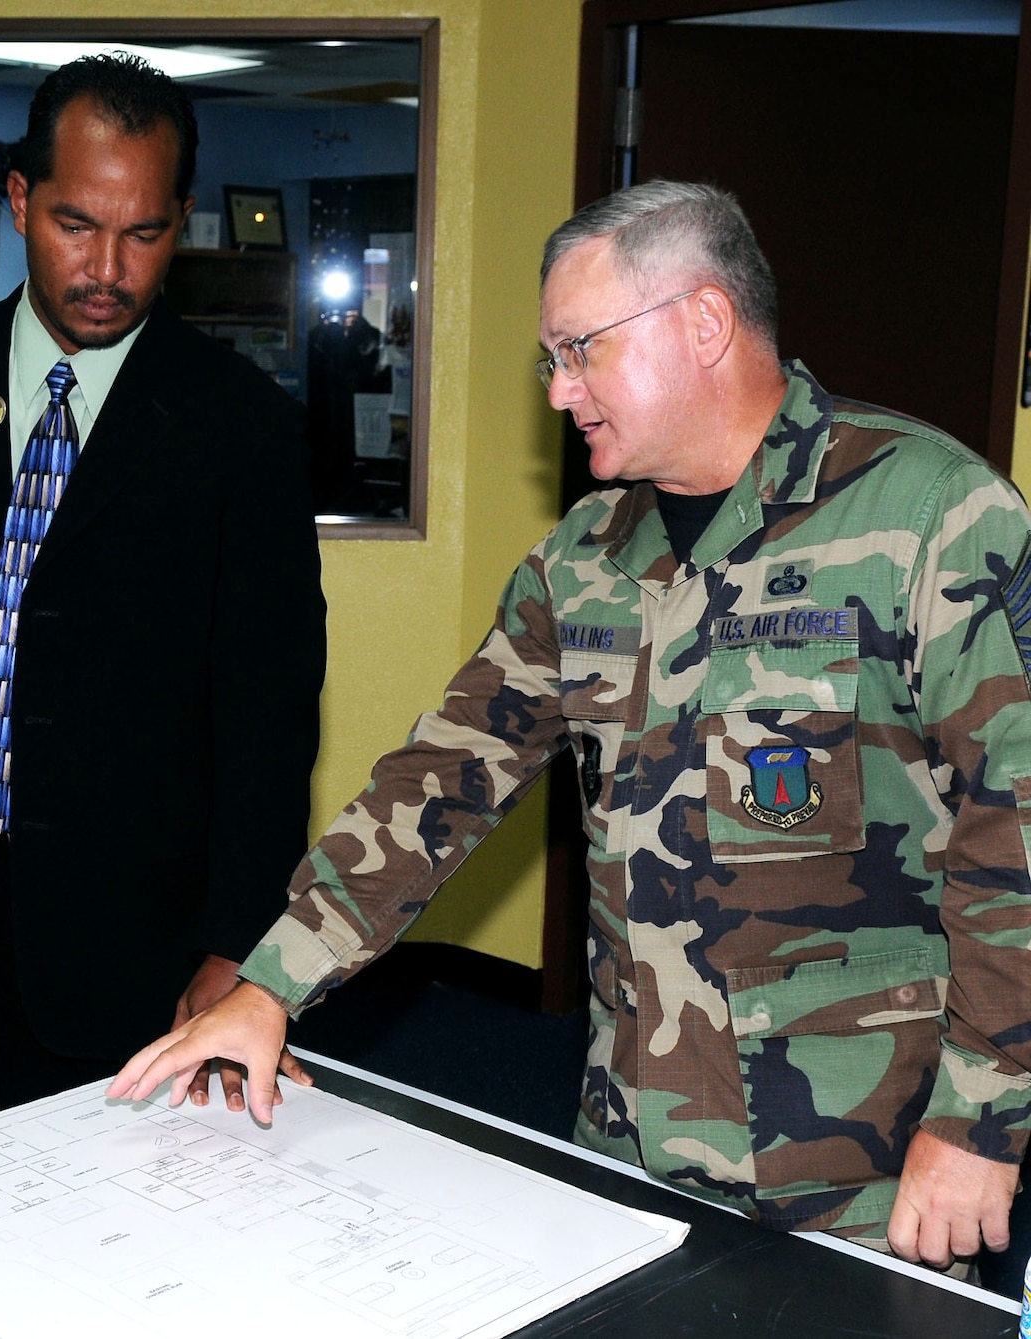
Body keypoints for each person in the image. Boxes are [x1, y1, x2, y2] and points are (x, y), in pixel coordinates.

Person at [112, 179, 1031, 1272]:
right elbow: (438, 783)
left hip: (862, 1169)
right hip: (623, 1143)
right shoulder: (582, 558)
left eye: (578, 349)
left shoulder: (929, 515)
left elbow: (1012, 830)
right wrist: (269, 984)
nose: (556, 390)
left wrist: (979, 1119)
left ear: (701, 323)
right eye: (548, 358)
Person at [0, 54, 325, 1123]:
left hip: (140, 925)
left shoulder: (239, 424)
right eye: (76, 224)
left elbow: (267, 711)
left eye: (144, 234)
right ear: (19, 197)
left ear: (180, 220)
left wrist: (239, 948)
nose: (108, 270)